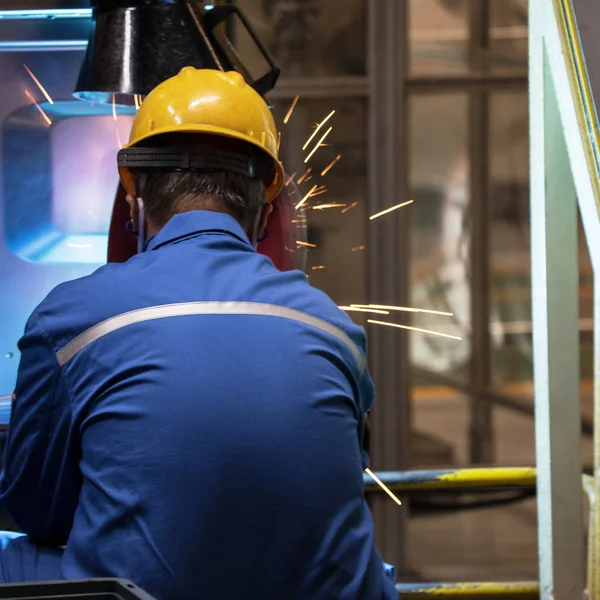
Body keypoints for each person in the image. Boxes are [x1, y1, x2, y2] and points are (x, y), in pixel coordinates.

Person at [0, 68, 398, 600]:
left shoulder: (71, 318)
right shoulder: (333, 326)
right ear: (267, 204)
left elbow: (38, 510)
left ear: (134, 194)